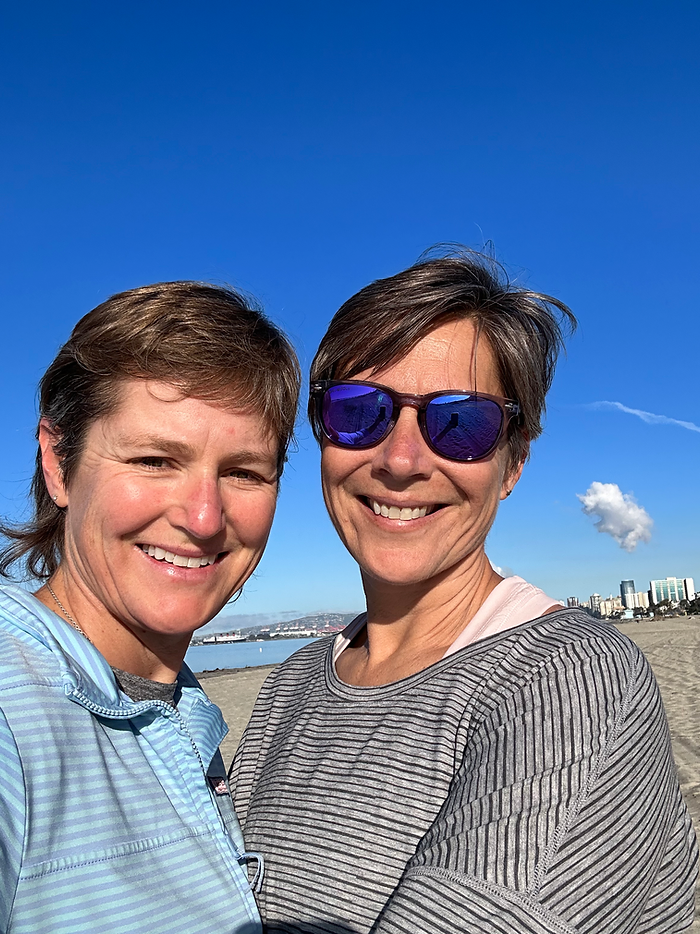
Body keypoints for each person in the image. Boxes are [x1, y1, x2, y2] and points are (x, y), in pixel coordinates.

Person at [231, 251, 698, 933]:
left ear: (511, 464)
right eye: (360, 411)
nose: (400, 459)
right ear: (323, 437)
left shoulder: (566, 677)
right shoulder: (291, 685)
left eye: (462, 424)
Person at [0, 281, 300, 934]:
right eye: (155, 459)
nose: (203, 517)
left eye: (245, 472)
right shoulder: (13, 705)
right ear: (58, 462)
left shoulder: (179, 711)